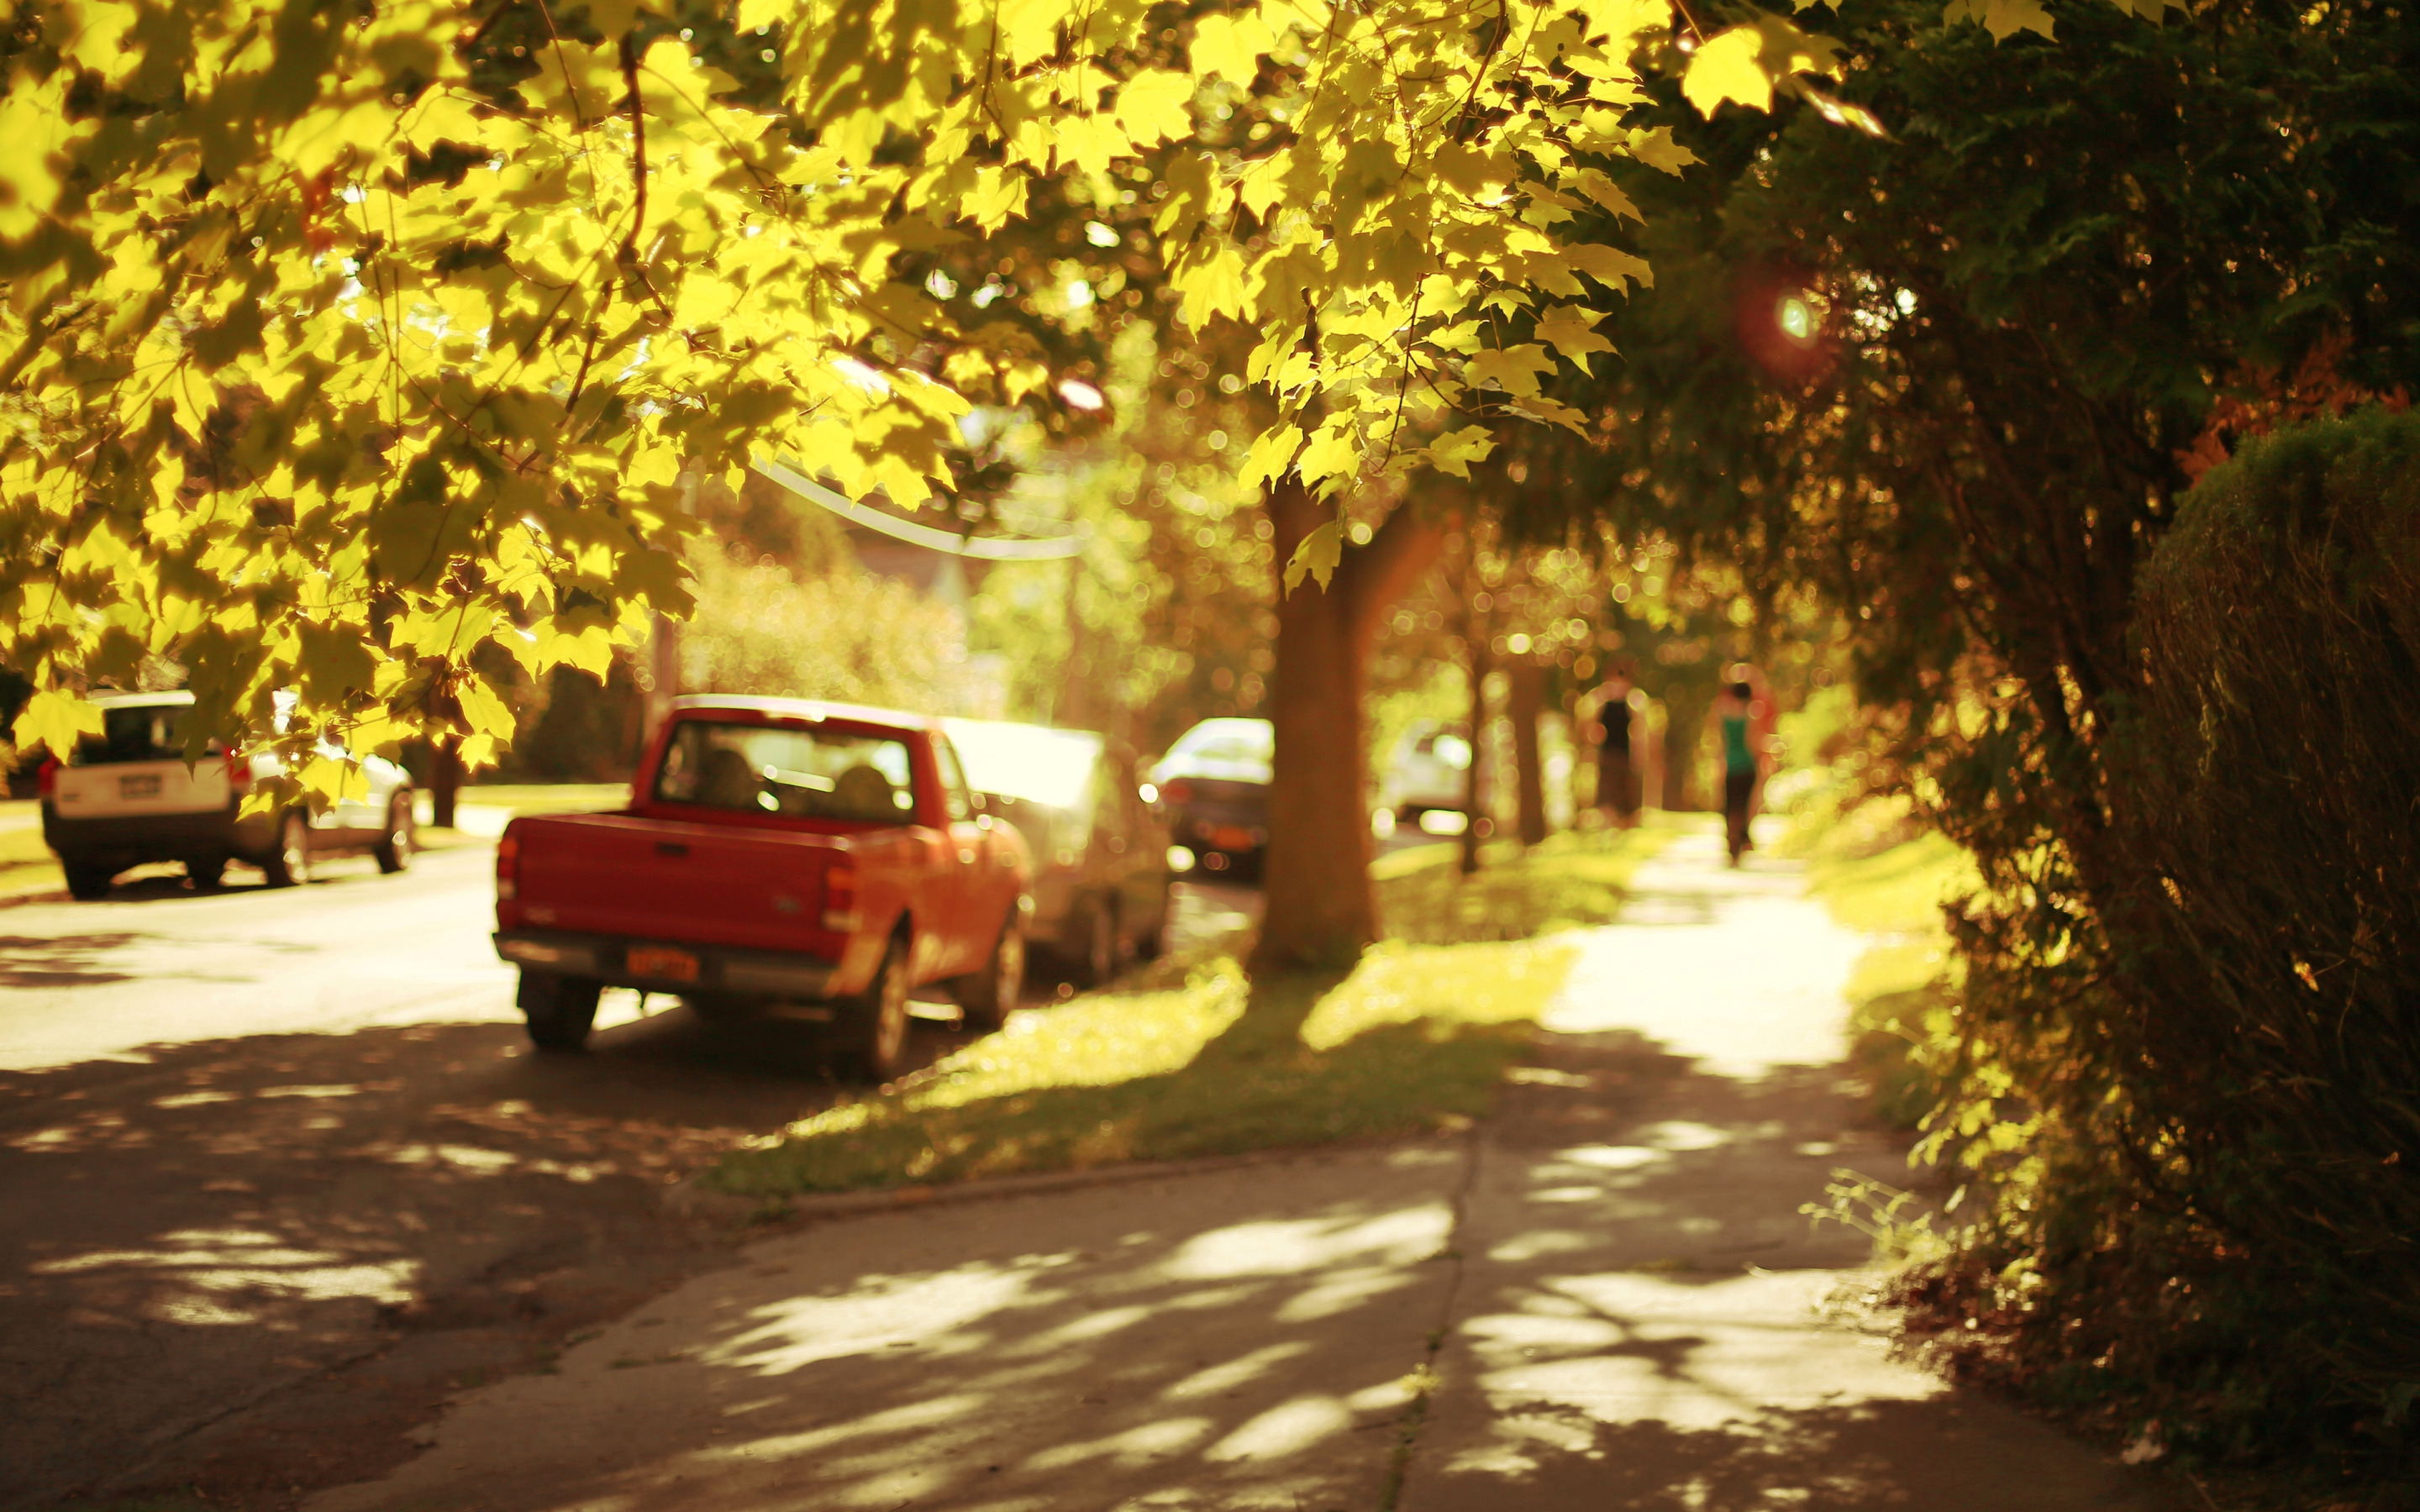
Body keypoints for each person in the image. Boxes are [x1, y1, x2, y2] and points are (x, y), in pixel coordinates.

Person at [1714, 677, 1760, 865]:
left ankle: (1731, 840)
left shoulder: (1723, 714)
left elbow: (1720, 742)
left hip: (1729, 765)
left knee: (1730, 804)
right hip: (1747, 765)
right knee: (1744, 805)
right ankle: (1742, 838)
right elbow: (1752, 741)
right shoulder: (1751, 714)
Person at [1595, 664, 1641, 829]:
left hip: (1622, 753)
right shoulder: (1601, 700)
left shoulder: (1632, 701)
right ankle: (1612, 826)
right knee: (1610, 791)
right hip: (1610, 752)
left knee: (1622, 791)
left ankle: (1620, 825)